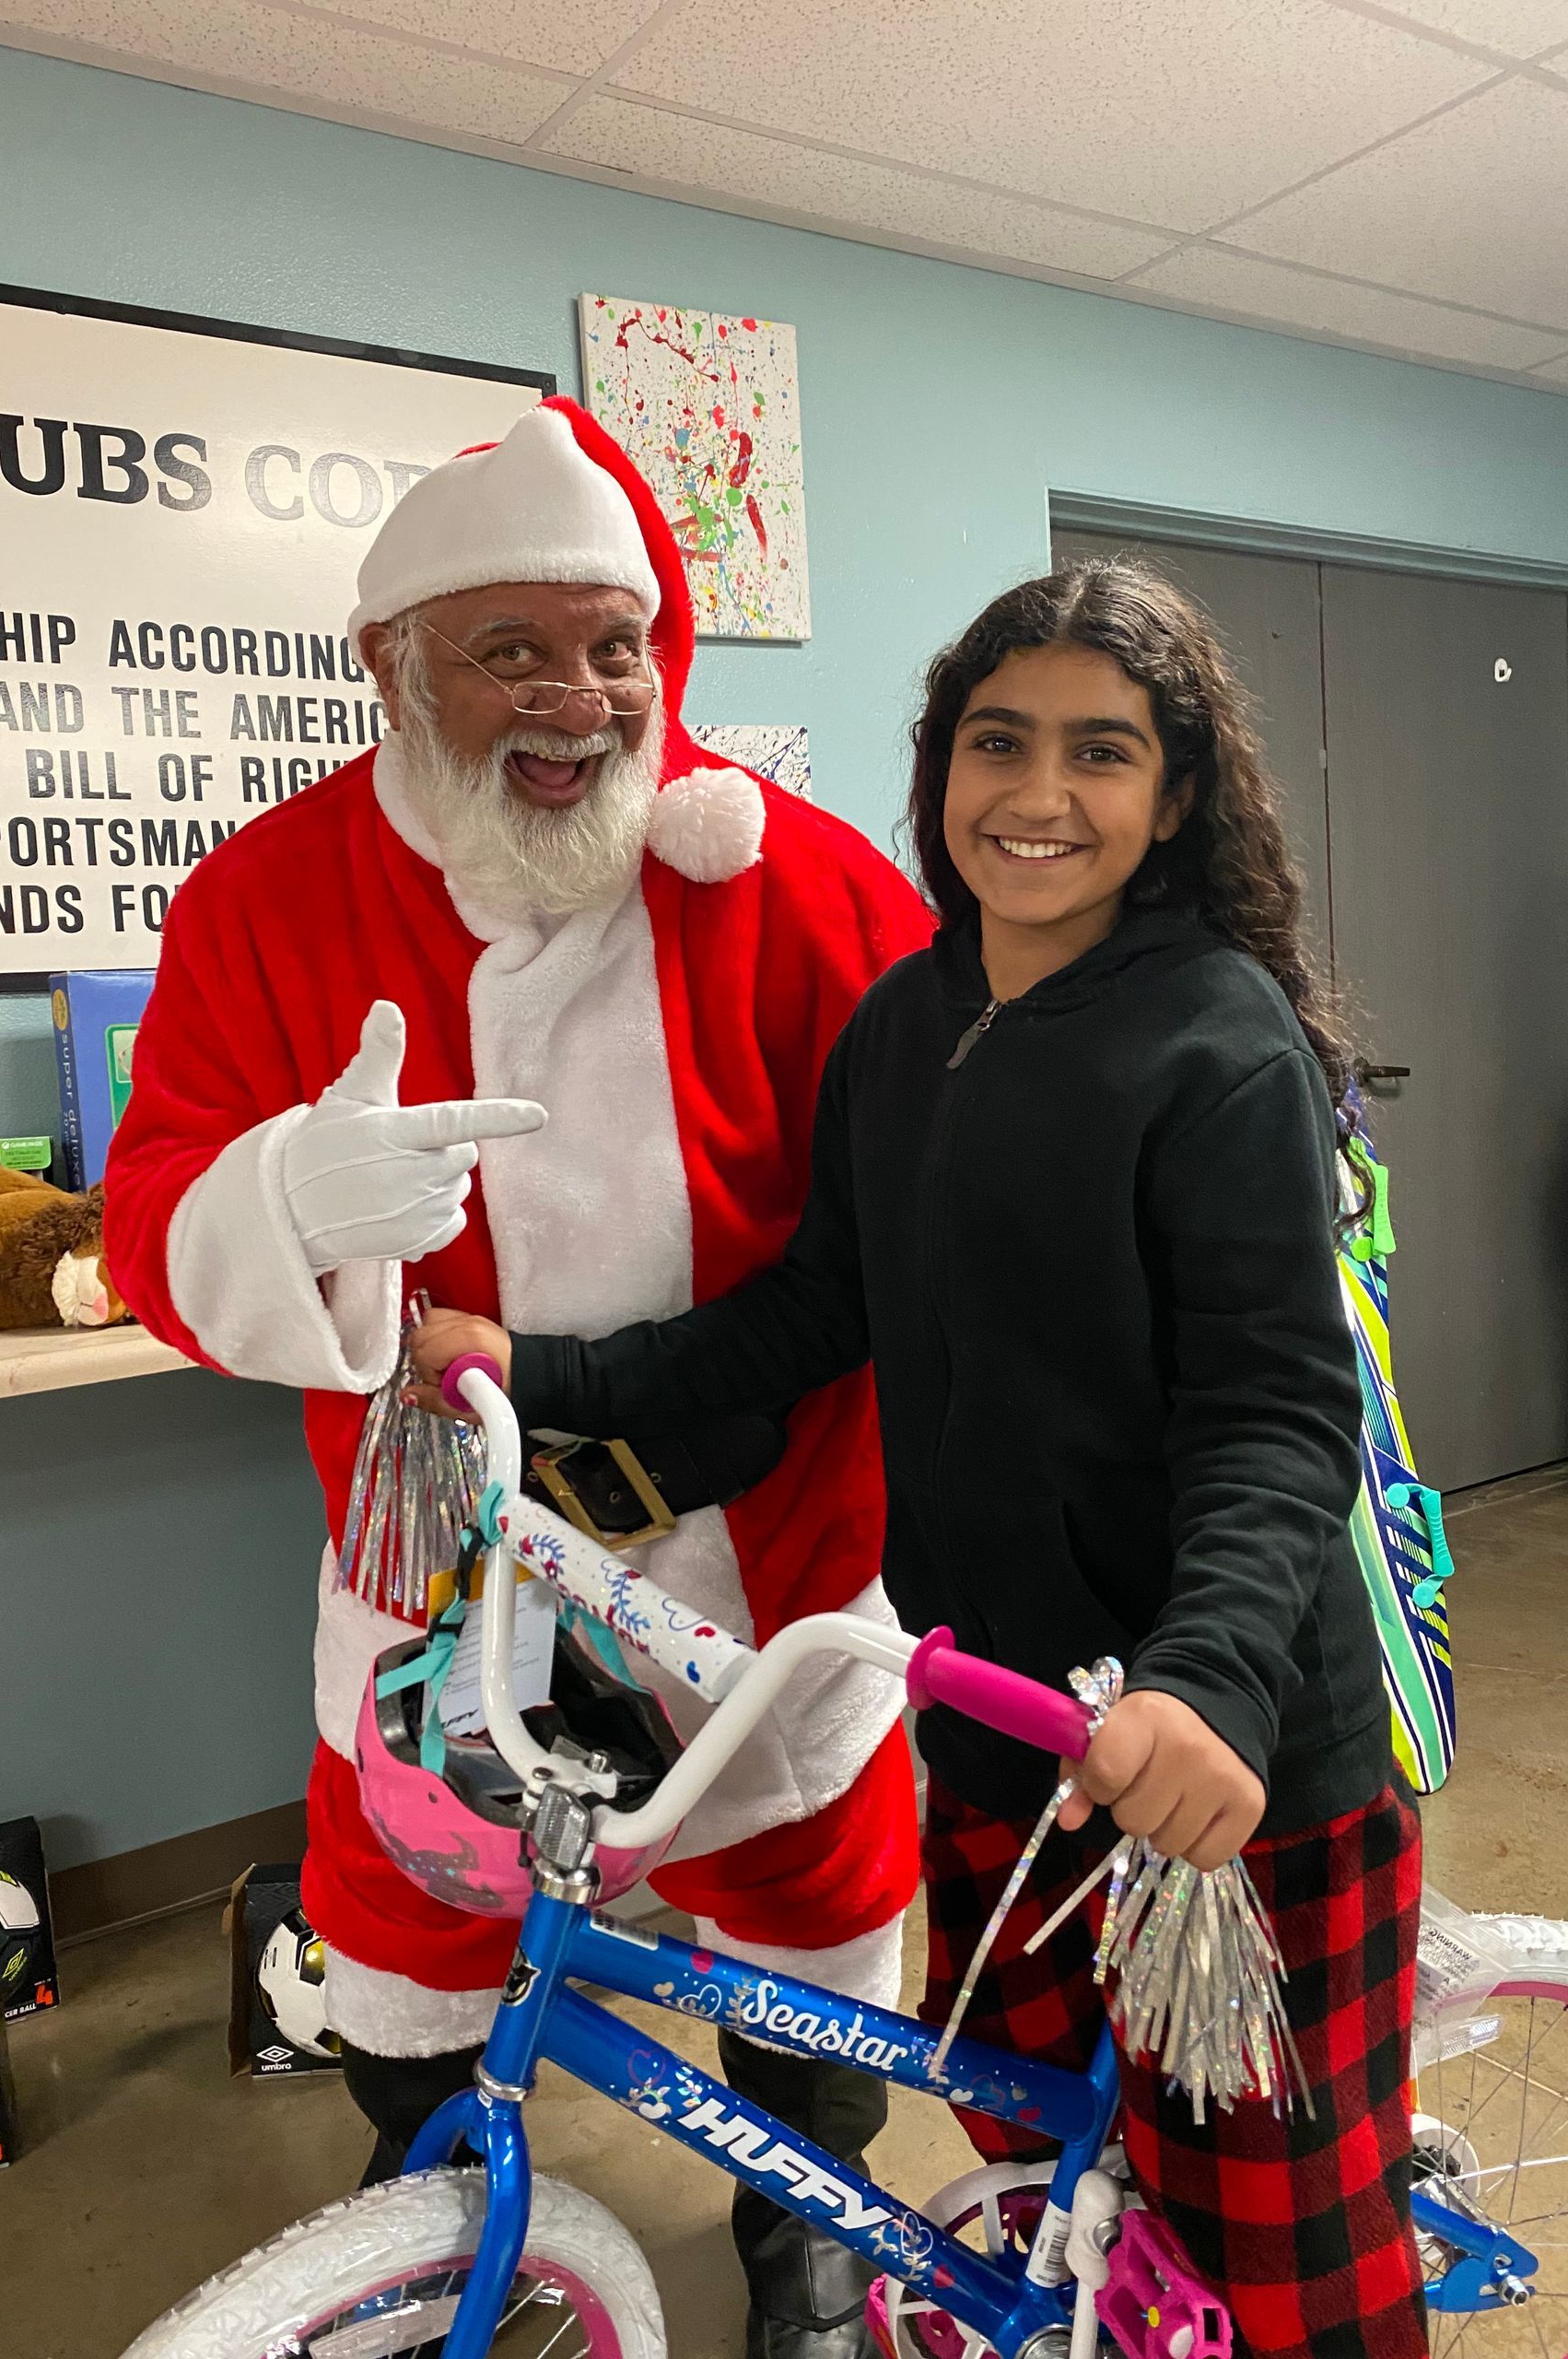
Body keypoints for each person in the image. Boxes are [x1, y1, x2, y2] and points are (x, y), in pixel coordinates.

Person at [412, 559, 1426, 2359]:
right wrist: (538, 1368)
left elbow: (1276, 1413)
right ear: (941, 764)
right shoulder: (904, 1022)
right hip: (994, 1729)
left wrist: (1204, 1680)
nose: (1040, 794)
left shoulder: (1216, 1041)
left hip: (1216, 1769)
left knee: (1283, 2276)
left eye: (1102, 751)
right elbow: (818, 1306)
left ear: (1176, 793)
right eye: (998, 741)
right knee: (1053, 2175)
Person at [102, 395, 931, 2359]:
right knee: (415, 1938)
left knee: (807, 1920)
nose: (578, 698)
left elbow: (942, 1193)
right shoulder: (265, 900)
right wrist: (281, 1198)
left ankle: (805, 2234)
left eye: (613, 645)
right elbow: (149, 1221)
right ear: (390, 663)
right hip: (437, 1560)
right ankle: (434, 2235)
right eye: (511, 649)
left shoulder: (803, 886)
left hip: (760, 1537)